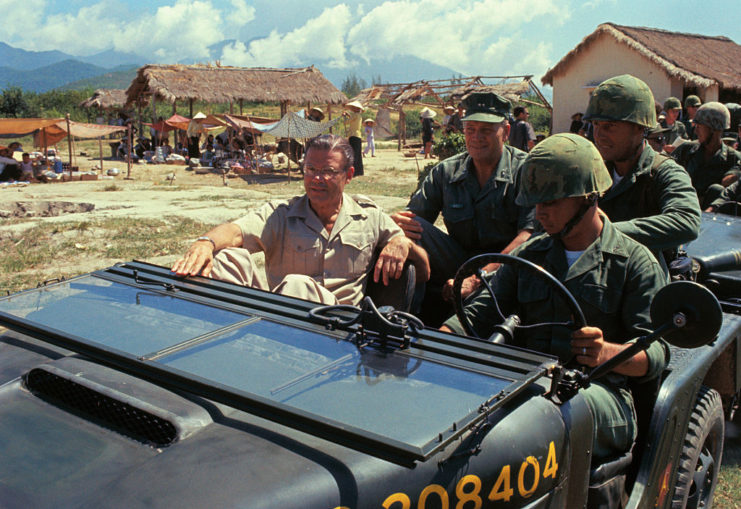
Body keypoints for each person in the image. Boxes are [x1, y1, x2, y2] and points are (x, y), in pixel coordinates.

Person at [441, 133, 668, 463]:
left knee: (538, 418)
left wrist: (607, 352)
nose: (540, 213)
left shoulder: (633, 262)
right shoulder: (529, 256)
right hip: (526, 385)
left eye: (550, 202)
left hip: (599, 397)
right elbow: (480, 314)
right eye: (535, 203)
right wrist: (434, 342)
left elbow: (656, 354)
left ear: (588, 198)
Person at [172, 134, 430, 306]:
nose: (316, 178)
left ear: (348, 175)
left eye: (328, 171)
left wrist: (404, 244)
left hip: (337, 325)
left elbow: (424, 271)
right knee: (227, 259)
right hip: (280, 314)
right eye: (310, 170)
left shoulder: (370, 216)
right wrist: (205, 243)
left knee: (298, 285)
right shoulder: (283, 214)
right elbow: (236, 231)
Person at [391, 92, 535, 324]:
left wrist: (478, 278)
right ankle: (405, 318)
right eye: (470, 129)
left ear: (506, 132)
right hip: (459, 260)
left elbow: (528, 236)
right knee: (411, 231)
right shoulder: (446, 171)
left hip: (507, 268)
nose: (477, 137)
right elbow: (412, 217)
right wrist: (397, 237)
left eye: (486, 130)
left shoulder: (525, 171)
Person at [582, 74, 701, 274]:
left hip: (643, 282)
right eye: (595, 124)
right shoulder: (592, 171)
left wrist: (605, 232)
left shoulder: (664, 172)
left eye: (610, 126)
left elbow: (686, 221)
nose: (599, 135)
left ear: (639, 127)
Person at [672, 102, 741, 209]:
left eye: (699, 126)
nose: (695, 131)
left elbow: (730, 186)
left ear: (714, 129)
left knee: (716, 189)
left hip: (711, 219)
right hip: (680, 208)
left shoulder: (733, 158)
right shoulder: (686, 150)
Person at [344, 101, 364, 176]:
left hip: (353, 136)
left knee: (354, 154)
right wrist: (348, 115)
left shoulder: (355, 115)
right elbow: (352, 120)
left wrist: (345, 116)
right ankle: (359, 171)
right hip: (358, 135)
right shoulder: (359, 116)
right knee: (358, 154)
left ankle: (354, 172)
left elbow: (346, 122)